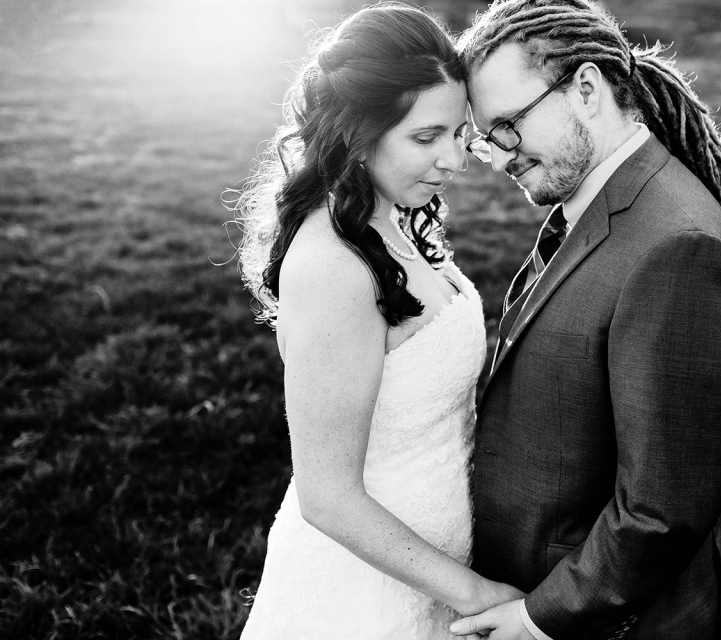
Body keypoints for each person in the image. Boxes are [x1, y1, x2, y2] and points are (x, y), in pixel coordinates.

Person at [450, 1, 721, 638]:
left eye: (508, 126)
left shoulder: (679, 250)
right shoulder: (598, 199)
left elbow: (663, 507)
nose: (500, 157)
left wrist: (538, 619)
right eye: (486, 138)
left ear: (586, 89)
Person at [234, 5, 522, 638]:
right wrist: (475, 594)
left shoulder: (389, 221)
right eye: (426, 138)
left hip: (434, 556)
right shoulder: (333, 267)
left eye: (458, 133)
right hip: (366, 591)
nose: (454, 160)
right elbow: (328, 497)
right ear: (359, 135)